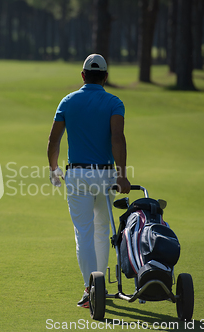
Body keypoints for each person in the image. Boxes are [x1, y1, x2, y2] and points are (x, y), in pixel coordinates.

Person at [47, 54, 131, 308]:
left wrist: (53, 169)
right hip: (105, 174)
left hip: (77, 174)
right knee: (102, 231)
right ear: (105, 77)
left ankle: (91, 288)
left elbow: (54, 140)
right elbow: (118, 138)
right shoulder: (114, 101)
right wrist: (122, 174)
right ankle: (101, 285)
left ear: (83, 75)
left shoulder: (68, 101)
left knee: (83, 233)